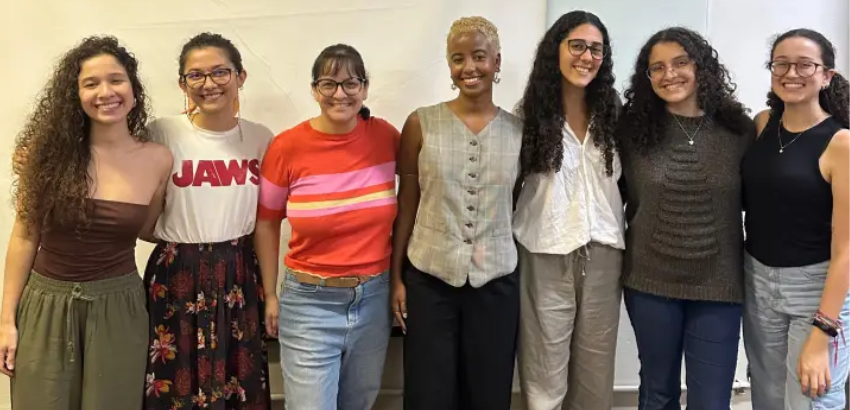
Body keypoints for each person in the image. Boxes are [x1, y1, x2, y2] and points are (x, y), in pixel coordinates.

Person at [0, 36, 172, 410]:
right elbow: (24, 236)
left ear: (133, 88)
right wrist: (6, 321)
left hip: (119, 307)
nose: (105, 92)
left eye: (116, 80)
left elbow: (148, 228)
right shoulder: (45, 156)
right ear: (74, 95)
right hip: (45, 303)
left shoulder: (158, 159)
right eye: (91, 83)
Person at [255, 44, 399, 410]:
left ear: (365, 89)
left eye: (351, 83)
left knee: (358, 404)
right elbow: (267, 223)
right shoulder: (287, 146)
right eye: (328, 84)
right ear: (314, 90)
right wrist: (270, 294)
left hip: (374, 299)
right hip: (308, 302)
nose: (340, 94)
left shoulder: (386, 137)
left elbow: (420, 194)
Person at [617, 27, 754, 409]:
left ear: (701, 67)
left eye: (680, 63)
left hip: (719, 287)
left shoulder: (738, 130)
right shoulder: (631, 130)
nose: (669, 74)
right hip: (649, 285)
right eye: (656, 67)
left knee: (711, 400)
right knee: (657, 394)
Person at [390, 16, 522, 410]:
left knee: (488, 391)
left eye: (479, 56)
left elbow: (514, 203)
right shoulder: (420, 123)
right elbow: (407, 202)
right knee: (428, 392)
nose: (469, 68)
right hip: (430, 278)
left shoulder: (520, 131)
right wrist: (397, 277)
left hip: (497, 279)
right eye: (458, 58)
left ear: (497, 62)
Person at [142, 32, 273, 410]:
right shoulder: (162, 133)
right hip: (177, 273)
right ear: (183, 84)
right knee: (175, 378)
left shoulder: (262, 139)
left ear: (240, 77)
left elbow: (267, 218)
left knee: (237, 378)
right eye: (195, 75)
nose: (209, 83)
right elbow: (138, 204)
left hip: (239, 272)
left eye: (220, 72)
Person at [513, 10, 623, 410]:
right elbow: (511, 187)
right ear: (555, 51)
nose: (586, 56)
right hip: (544, 251)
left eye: (596, 48)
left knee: (595, 374)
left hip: (604, 253)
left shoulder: (614, 110)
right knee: (544, 370)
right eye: (577, 45)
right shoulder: (529, 114)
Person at [741, 28, 849, 410]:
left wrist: (823, 331)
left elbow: (847, 250)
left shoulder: (842, 144)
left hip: (815, 287)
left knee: (811, 399)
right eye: (781, 64)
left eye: (805, 64)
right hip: (756, 280)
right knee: (767, 397)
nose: (792, 73)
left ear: (826, 75)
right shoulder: (762, 123)